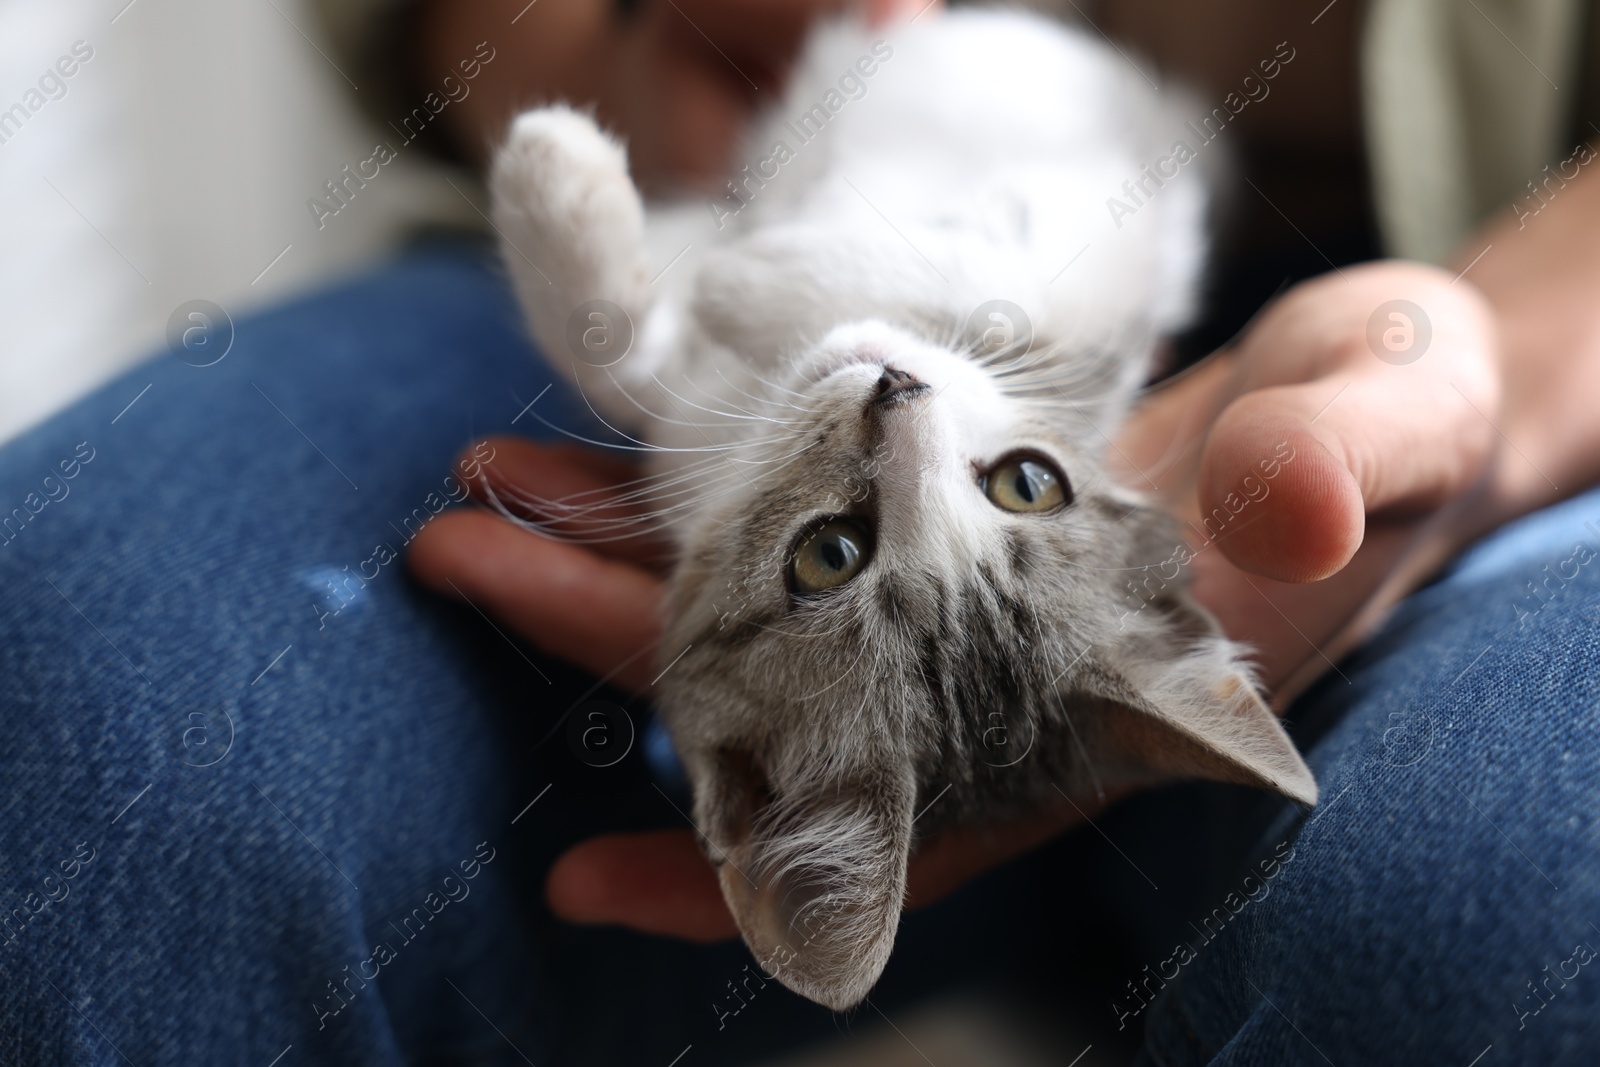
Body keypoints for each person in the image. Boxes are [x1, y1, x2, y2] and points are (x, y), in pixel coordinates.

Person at [3, 0, 1599, 1063]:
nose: (905, 426)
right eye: (1006, 494)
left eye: (843, 551)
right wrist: (585, 39)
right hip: (766, 238)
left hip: (1543, 309)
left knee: (1485, 948)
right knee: (97, 746)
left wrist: (1523, 357)